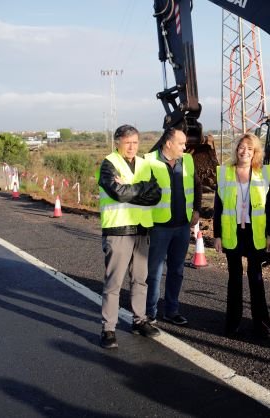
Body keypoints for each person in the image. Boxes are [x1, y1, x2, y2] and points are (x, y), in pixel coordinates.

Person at [97, 124, 161, 349]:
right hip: (119, 230)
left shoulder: (144, 164)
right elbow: (116, 192)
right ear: (117, 142)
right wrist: (141, 189)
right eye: (127, 143)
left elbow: (155, 196)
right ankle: (108, 329)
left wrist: (134, 187)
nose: (132, 147)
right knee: (113, 283)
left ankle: (139, 320)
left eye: (135, 142)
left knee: (140, 279)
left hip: (142, 229)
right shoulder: (109, 164)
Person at [214, 133, 270, 337]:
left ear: (256, 152)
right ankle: (232, 323)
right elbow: (218, 206)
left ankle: (262, 324)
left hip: (254, 233)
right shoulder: (224, 173)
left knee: (256, 279)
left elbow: (269, 208)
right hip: (232, 232)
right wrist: (217, 235)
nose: (245, 152)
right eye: (242, 147)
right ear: (236, 150)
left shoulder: (262, 174)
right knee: (234, 279)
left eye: (250, 149)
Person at [144, 128, 202, 326]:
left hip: (182, 226)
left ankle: (171, 310)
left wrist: (197, 209)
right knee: (154, 272)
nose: (185, 147)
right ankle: (149, 313)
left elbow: (197, 185)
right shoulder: (149, 161)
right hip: (158, 227)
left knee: (177, 271)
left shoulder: (187, 160)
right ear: (168, 143)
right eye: (181, 143)